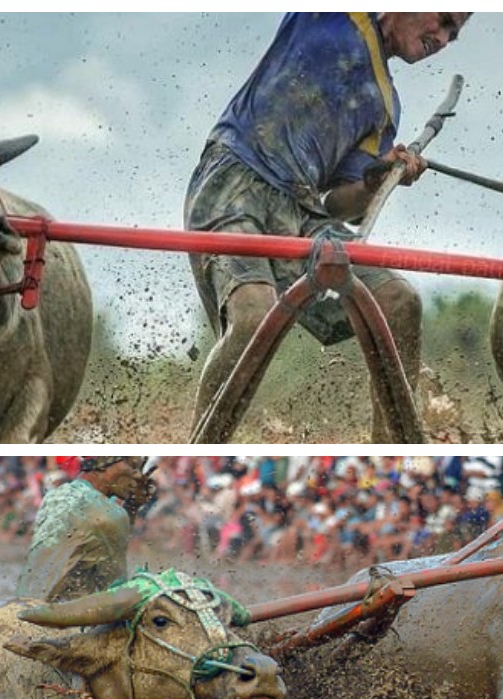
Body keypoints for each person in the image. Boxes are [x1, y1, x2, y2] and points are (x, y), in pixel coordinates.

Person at [186, 12, 472, 441]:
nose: (445, 38)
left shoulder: (384, 105)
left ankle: (394, 452)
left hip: (300, 210)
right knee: (253, 316)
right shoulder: (330, 15)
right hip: (234, 181)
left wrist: (377, 177)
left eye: (455, 32)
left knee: (399, 301)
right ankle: (198, 451)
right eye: (445, 20)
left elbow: (341, 204)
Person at [16, 457, 157, 603]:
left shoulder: (55, 496)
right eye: (133, 466)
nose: (139, 476)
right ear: (103, 462)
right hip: (60, 619)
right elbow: (115, 592)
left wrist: (132, 507)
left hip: (23, 607)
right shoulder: (108, 514)